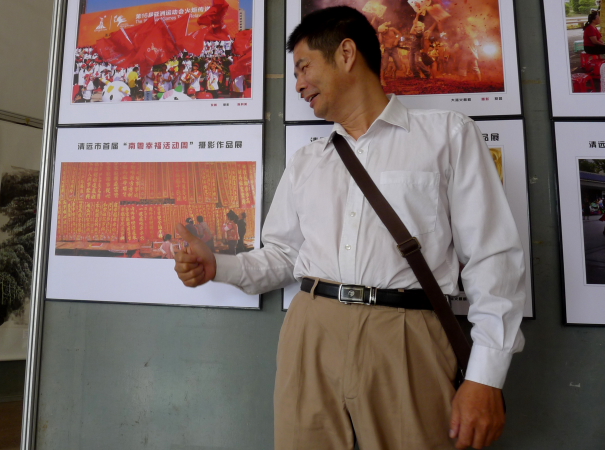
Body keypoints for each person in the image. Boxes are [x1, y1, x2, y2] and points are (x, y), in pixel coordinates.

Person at [172, 6, 524, 450]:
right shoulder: (308, 160)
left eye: (304, 68)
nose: (298, 85)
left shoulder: (448, 136)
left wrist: (486, 376)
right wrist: (217, 267)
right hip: (311, 332)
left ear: (346, 53)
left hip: (408, 336)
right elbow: (282, 256)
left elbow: (493, 260)